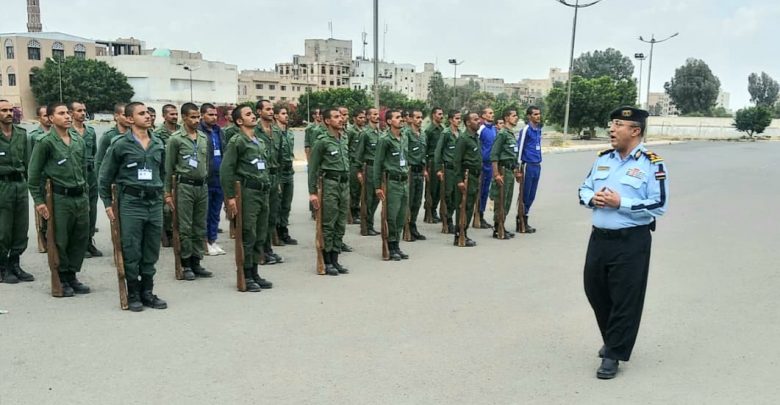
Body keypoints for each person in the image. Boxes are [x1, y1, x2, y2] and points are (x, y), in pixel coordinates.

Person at [578, 106, 669, 379]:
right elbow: (583, 188)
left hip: (631, 241)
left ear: (635, 130)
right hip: (600, 238)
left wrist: (622, 203)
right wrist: (591, 198)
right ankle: (614, 337)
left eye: (618, 124)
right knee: (595, 290)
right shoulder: (603, 159)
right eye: (612, 124)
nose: (611, 129)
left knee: (625, 299)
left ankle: (614, 353)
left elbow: (659, 203)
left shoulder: (652, 163)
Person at [99, 102, 167, 312]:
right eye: (142, 113)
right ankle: (134, 292)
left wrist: (163, 194)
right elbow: (105, 175)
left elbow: (162, 173)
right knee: (131, 248)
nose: (147, 116)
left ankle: (148, 291)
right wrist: (108, 203)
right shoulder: (120, 144)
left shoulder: (158, 143)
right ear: (129, 119)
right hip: (131, 202)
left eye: (148, 113)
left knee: (151, 248)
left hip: (154, 202)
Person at [27, 102, 90, 295]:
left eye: (68, 113)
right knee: (60, 239)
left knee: (80, 238)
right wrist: (39, 201)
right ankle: (61, 277)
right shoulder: (45, 142)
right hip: (59, 198)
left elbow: (84, 171)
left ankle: (72, 275)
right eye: (61, 113)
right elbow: (34, 174)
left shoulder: (78, 140)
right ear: (51, 118)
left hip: (79, 196)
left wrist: (86, 195)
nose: (67, 117)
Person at [220, 105, 274, 292]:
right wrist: (230, 198)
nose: (253, 116)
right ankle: (246, 273)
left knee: (260, 234)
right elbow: (226, 170)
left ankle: (255, 272)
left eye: (253, 113)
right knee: (248, 234)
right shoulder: (237, 141)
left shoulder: (259, 141)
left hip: (262, 192)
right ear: (239, 121)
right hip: (247, 193)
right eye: (248, 114)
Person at [163, 103, 213, 281]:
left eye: (198, 116)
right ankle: (185, 263)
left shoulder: (202, 137)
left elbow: (206, 163)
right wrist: (167, 193)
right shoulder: (176, 139)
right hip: (184, 186)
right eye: (192, 117)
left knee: (200, 225)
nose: (196, 120)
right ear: (184, 118)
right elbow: (168, 168)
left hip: (202, 186)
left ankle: (197, 260)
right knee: (185, 226)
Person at [308, 108, 350, 276]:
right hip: (330, 184)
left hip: (344, 184)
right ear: (327, 121)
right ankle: (326, 260)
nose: (340, 119)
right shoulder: (322, 141)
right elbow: (313, 168)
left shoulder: (344, 138)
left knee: (340, 223)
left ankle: (335, 258)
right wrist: (312, 192)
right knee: (328, 223)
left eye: (341, 116)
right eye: (336, 117)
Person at [0, 99, 34, 284]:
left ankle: (15, 263)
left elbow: (28, 163)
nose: (8, 113)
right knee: (3, 230)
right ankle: (3, 267)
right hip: (2, 186)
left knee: (21, 227)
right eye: (4, 110)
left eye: (11, 110)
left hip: (20, 185)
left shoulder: (21, 134)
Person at [374, 110, 410, 260]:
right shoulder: (385, 140)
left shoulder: (404, 137)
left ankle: (397, 245)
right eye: (397, 118)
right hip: (392, 182)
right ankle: (390, 244)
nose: (400, 120)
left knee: (401, 216)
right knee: (392, 216)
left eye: (401, 117)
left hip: (404, 181)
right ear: (389, 121)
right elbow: (378, 163)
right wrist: (377, 186)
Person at [68, 101, 103, 258]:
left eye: (84, 110)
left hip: (90, 174)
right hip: (75, 174)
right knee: (78, 210)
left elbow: (94, 153)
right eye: (79, 110)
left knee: (92, 208)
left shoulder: (90, 131)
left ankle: (89, 240)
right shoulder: (67, 132)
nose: (83, 113)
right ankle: (78, 244)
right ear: (71, 113)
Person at [254, 100, 283, 264]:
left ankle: (268, 249)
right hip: (260, 177)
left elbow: (279, 158)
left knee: (272, 216)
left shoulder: (277, 132)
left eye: (272, 109)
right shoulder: (254, 131)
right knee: (261, 218)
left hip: (274, 176)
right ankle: (260, 251)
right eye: (268, 109)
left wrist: (277, 180)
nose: (271, 112)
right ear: (259, 112)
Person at [199, 103, 227, 256]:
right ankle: (204, 242)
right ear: (202, 115)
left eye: (215, 115)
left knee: (215, 212)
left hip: (219, 178)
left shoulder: (219, 132)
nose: (214, 117)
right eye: (210, 114)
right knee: (205, 212)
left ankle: (213, 240)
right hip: (206, 179)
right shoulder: (199, 132)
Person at [489, 109, 520, 239]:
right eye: (513, 116)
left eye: (516, 116)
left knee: (507, 200)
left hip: (510, 171)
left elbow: (514, 155)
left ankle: (502, 225)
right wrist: (496, 174)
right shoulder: (502, 134)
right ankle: (497, 228)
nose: (516, 118)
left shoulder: (511, 134)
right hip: (503, 170)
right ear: (507, 118)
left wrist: (517, 170)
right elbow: (494, 155)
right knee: (500, 200)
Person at [452, 112, 482, 247]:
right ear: (468, 123)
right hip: (466, 176)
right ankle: (459, 234)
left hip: (475, 176)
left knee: (470, 206)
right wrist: (459, 180)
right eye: (475, 119)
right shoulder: (463, 139)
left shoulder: (475, 137)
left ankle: (464, 231)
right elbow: (456, 161)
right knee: (463, 206)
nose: (479, 121)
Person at [154, 104, 180, 247]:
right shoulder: (157, 133)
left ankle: (175, 231)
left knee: (178, 205)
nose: (175, 117)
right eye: (171, 114)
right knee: (166, 208)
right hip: (164, 173)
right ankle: (166, 232)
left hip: (180, 174)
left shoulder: (182, 131)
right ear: (164, 116)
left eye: (176, 114)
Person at [27, 105, 51, 253]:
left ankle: (51, 237)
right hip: (40, 178)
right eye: (44, 116)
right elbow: (30, 160)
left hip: (53, 178)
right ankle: (42, 238)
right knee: (41, 208)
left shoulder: (58, 133)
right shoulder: (33, 136)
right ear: (39, 118)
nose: (48, 119)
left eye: (49, 115)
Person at [433, 110, 461, 233]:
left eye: (460, 118)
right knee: (448, 195)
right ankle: (447, 220)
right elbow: (438, 152)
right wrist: (438, 169)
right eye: (456, 118)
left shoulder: (460, 133)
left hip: (457, 170)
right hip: (448, 169)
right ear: (450, 120)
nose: (458, 120)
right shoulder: (446, 133)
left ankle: (451, 219)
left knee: (456, 196)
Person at [355, 107, 382, 236]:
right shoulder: (365, 134)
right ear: (369, 117)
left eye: (378, 114)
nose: (377, 116)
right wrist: (358, 171)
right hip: (369, 168)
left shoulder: (380, 133)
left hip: (378, 169)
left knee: (376, 198)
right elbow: (359, 154)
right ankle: (365, 226)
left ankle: (370, 224)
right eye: (374, 114)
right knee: (368, 199)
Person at [402, 109, 428, 241]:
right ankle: (405, 226)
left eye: (421, 117)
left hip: (419, 170)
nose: (420, 120)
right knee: (409, 200)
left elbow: (424, 154)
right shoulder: (406, 133)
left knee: (417, 201)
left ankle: (413, 226)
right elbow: (403, 152)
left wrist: (425, 169)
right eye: (417, 117)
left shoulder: (422, 134)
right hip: (410, 170)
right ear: (410, 119)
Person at [517, 105, 543, 233]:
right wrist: (518, 167)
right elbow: (520, 148)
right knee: (525, 194)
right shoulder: (526, 130)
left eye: (539, 114)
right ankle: (520, 220)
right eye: (535, 114)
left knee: (532, 195)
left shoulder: (538, 129)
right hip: (527, 165)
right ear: (529, 116)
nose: (538, 116)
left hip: (537, 165)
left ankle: (525, 217)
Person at [274, 105, 297, 245]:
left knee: (286, 204)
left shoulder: (289, 133)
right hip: (279, 172)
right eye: (283, 113)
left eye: (287, 113)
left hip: (289, 171)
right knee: (277, 203)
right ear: (276, 116)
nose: (286, 116)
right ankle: (275, 232)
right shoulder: (273, 133)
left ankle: (284, 229)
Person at [476, 107, 496, 229]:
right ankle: (477, 215)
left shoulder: (493, 129)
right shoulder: (481, 128)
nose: (492, 115)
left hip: (490, 164)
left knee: (485, 191)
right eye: (489, 113)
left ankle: (481, 214)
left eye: (492, 113)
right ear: (483, 115)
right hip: (482, 164)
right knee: (480, 190)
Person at [95, 103, 129, 176]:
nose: (128, 118)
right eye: (124, 115)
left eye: (129, 115)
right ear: (116, 116)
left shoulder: (134, 135)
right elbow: (99, 161)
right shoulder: (109, 136)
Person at [423, 107, 444, 223]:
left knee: (438, 189)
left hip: (440, 162)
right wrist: (425, 167)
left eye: (442, 114)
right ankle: (429, 211)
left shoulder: (442, 129)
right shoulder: (429, 131)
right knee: (431, 188)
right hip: (431, 161)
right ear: (433, 116)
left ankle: (434, 209)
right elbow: (425, 149)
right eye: (439, 114)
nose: (441, 116)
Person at [347, 109, 366, 223]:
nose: (362, 120)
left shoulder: (365, 131)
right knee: (354, 189)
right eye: (360, 117)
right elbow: (346, 147)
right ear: (354, 119)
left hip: (363, 163)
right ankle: (353, 212)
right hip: (353, 163)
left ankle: (358, 210)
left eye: (364, 117)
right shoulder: (350, 131)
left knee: (361, 190)